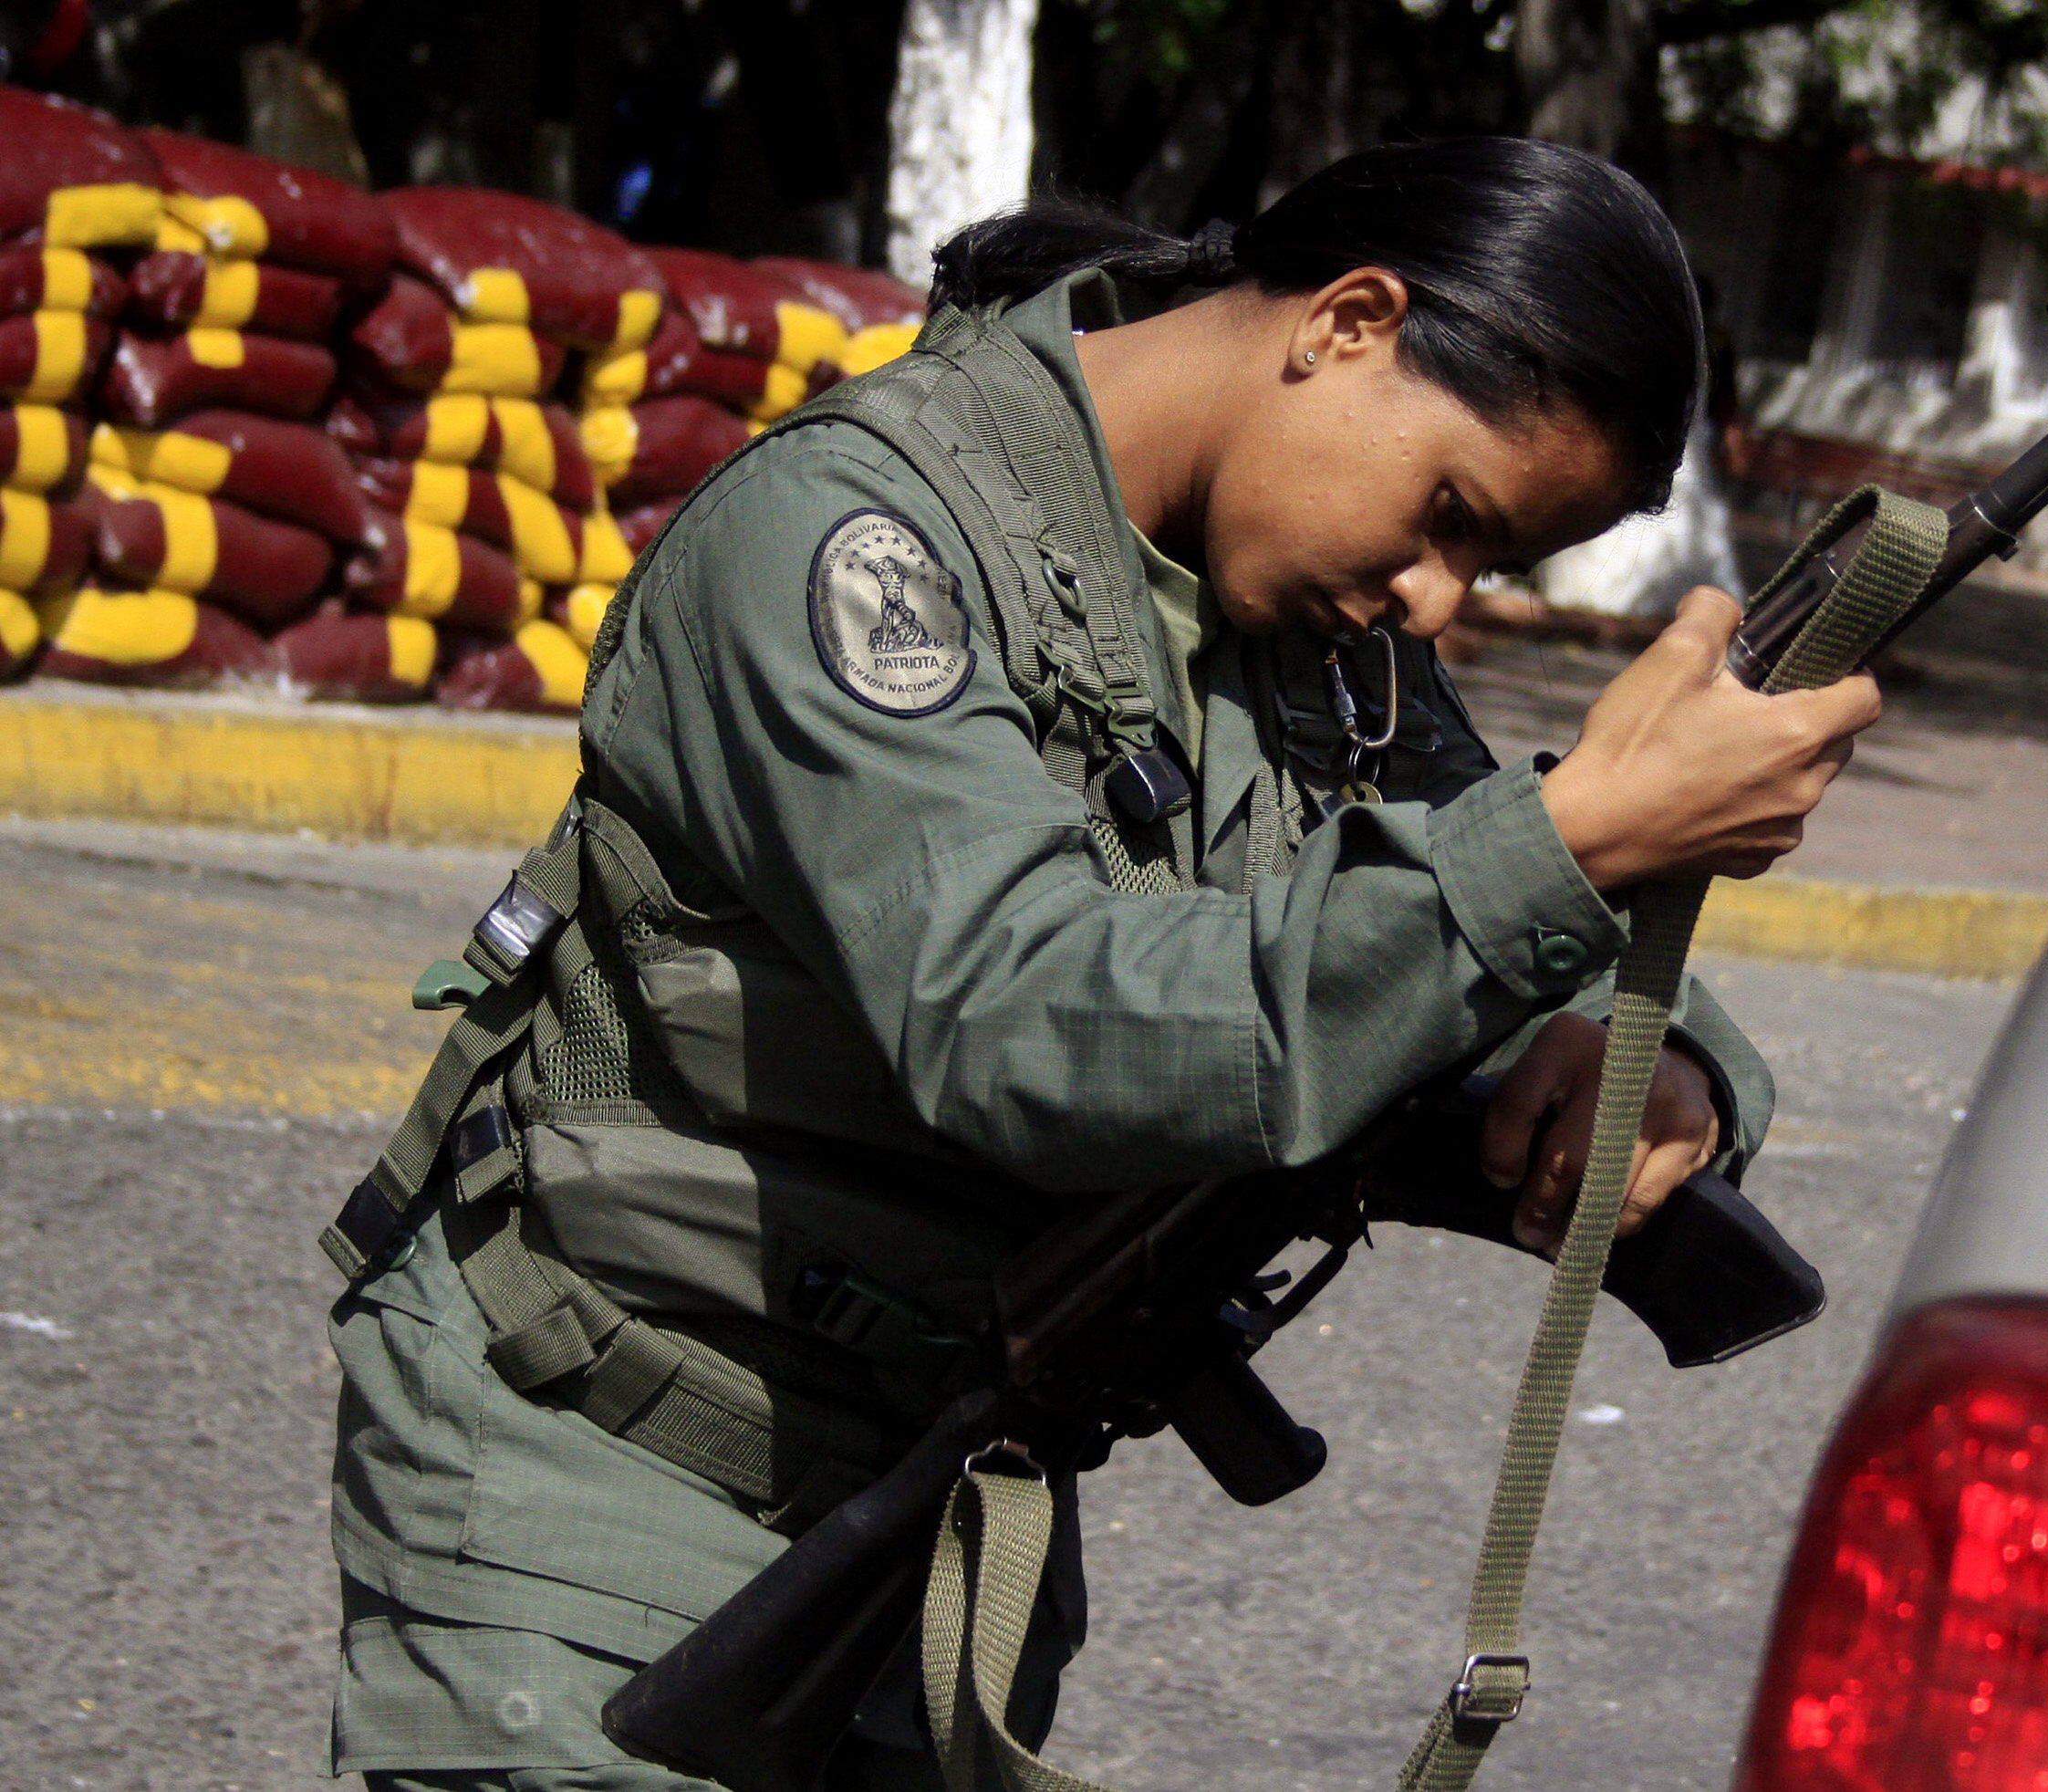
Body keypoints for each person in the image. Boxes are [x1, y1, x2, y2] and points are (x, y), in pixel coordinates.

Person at [324, 137, 1881, 1791]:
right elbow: (1018, 1021)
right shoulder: (856, 540)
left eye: (1486, 566)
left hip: (939, 1523)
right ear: (1349, 321)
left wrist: (1667, 1067)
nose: (1436, 602)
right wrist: (1573, 849)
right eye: (1450, 520)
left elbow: (1462, 874)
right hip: (602, 1473)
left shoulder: (1300, 628)